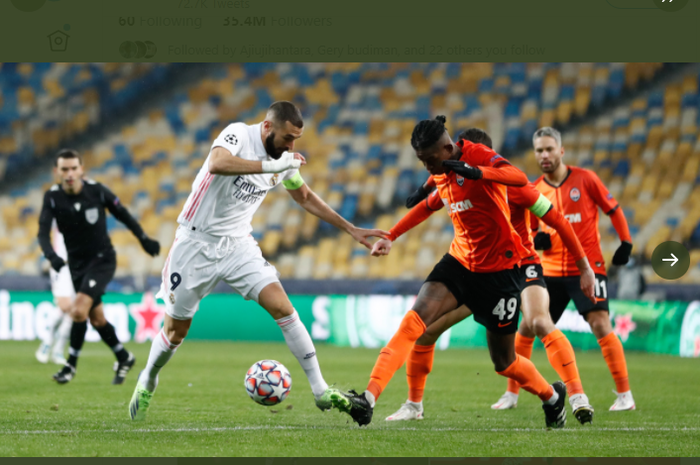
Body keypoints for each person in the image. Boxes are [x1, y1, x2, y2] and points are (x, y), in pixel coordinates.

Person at [128, 101, 388, 421]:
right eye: (287, 138)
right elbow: (217, 163)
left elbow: (303, 196)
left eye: (296, 140)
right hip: (195, 244)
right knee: (176, 330)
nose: (291, 147)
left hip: (238, 245)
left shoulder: (284, 160)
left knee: (283, 307)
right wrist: (271, 168)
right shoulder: (239, 134)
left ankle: (320, 390)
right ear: (267, 128)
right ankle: (149, 377)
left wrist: (351, 229)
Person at [330, 116, 568, 429]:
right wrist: (391, 235)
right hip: (460, 263)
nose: (428, 166)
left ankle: (552, 397)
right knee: (415, 322)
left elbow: (519, 177)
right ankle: (368, 398)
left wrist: (477, 172)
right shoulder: (440, 169)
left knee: (504, 362)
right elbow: (430, 203)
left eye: (430, 160)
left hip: (500, 272)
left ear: (447, 148)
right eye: (421, 161)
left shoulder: (478, 156)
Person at [385, 128, 596, 425]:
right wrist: (422, 191)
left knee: (537, 321)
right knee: (427, 331)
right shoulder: (456, 179)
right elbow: (436, 188)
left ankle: (576, 395)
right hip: (484, 271)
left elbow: (557, 220)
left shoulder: (512, 185)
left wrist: (585, 267)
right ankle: (414, 404)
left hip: (522, 265)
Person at [531, 127, 635, 411]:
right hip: (549, 271)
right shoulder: (535, 189)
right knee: (529, 326)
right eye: (539, 150)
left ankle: (625, 395)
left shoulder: (586, 179)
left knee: (600, 323)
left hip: (587, 267)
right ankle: (511, 394)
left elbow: (613, 209)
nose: (545, 155)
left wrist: (625, 242)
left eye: (549, 149)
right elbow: (527, 228)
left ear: (561, 151)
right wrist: (534, 238)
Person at [38, 149, 161, 384]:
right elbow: (43, 232)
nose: (70, 173)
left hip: (102, 260)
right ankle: (123, 356)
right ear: (57, 172)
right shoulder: (52, 197)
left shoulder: (97, 191)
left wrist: (143, 239)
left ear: (82, 169)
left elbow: (123, 214)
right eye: (65, 169)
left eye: (74, 168)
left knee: (78, 310)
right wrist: (51, 255)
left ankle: (69, 366)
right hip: (77, 265)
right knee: (97, 319)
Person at [35, 221, 73, 365]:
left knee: (73, 311)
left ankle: (58, 350)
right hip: (61, 266)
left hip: (76, 267)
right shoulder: (59, 209)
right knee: (64, 306)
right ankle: (46, 343)